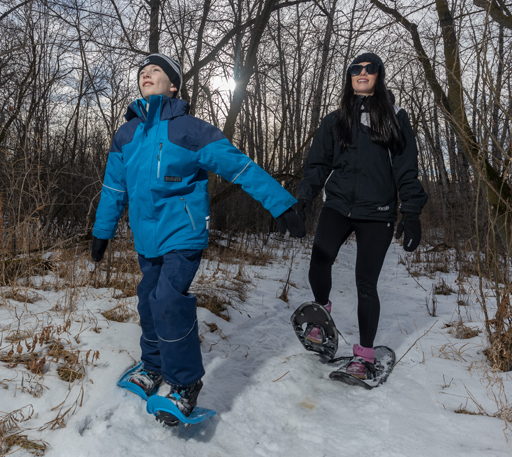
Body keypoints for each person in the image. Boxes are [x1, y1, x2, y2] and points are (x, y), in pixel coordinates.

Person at [91, 53, 305, 423]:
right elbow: (113, 189)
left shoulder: (190, 129)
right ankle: (152, 365)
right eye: (142, 71)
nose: (147, 74)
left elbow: (239, 166)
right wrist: (100, 233)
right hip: (146, 238)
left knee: (168, 299)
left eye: (156, 70)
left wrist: (281, 204)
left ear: (173, 85)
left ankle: (185, 385)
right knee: (148, 299)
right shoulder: (125, 134)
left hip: (182, 233)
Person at [294, 52, 427, 380]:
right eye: (357, 68)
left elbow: (406, 168)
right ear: (350, 76)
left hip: (377, 211)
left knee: (365, 283)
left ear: (379, 75)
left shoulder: (395, 117)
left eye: (370, 68)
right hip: (337, 204)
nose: (363, 72)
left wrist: (410, 212)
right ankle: (322, 315)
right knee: (319, 262)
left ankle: (364, 358)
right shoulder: (335, 119)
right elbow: (317, 165)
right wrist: (302, 198)